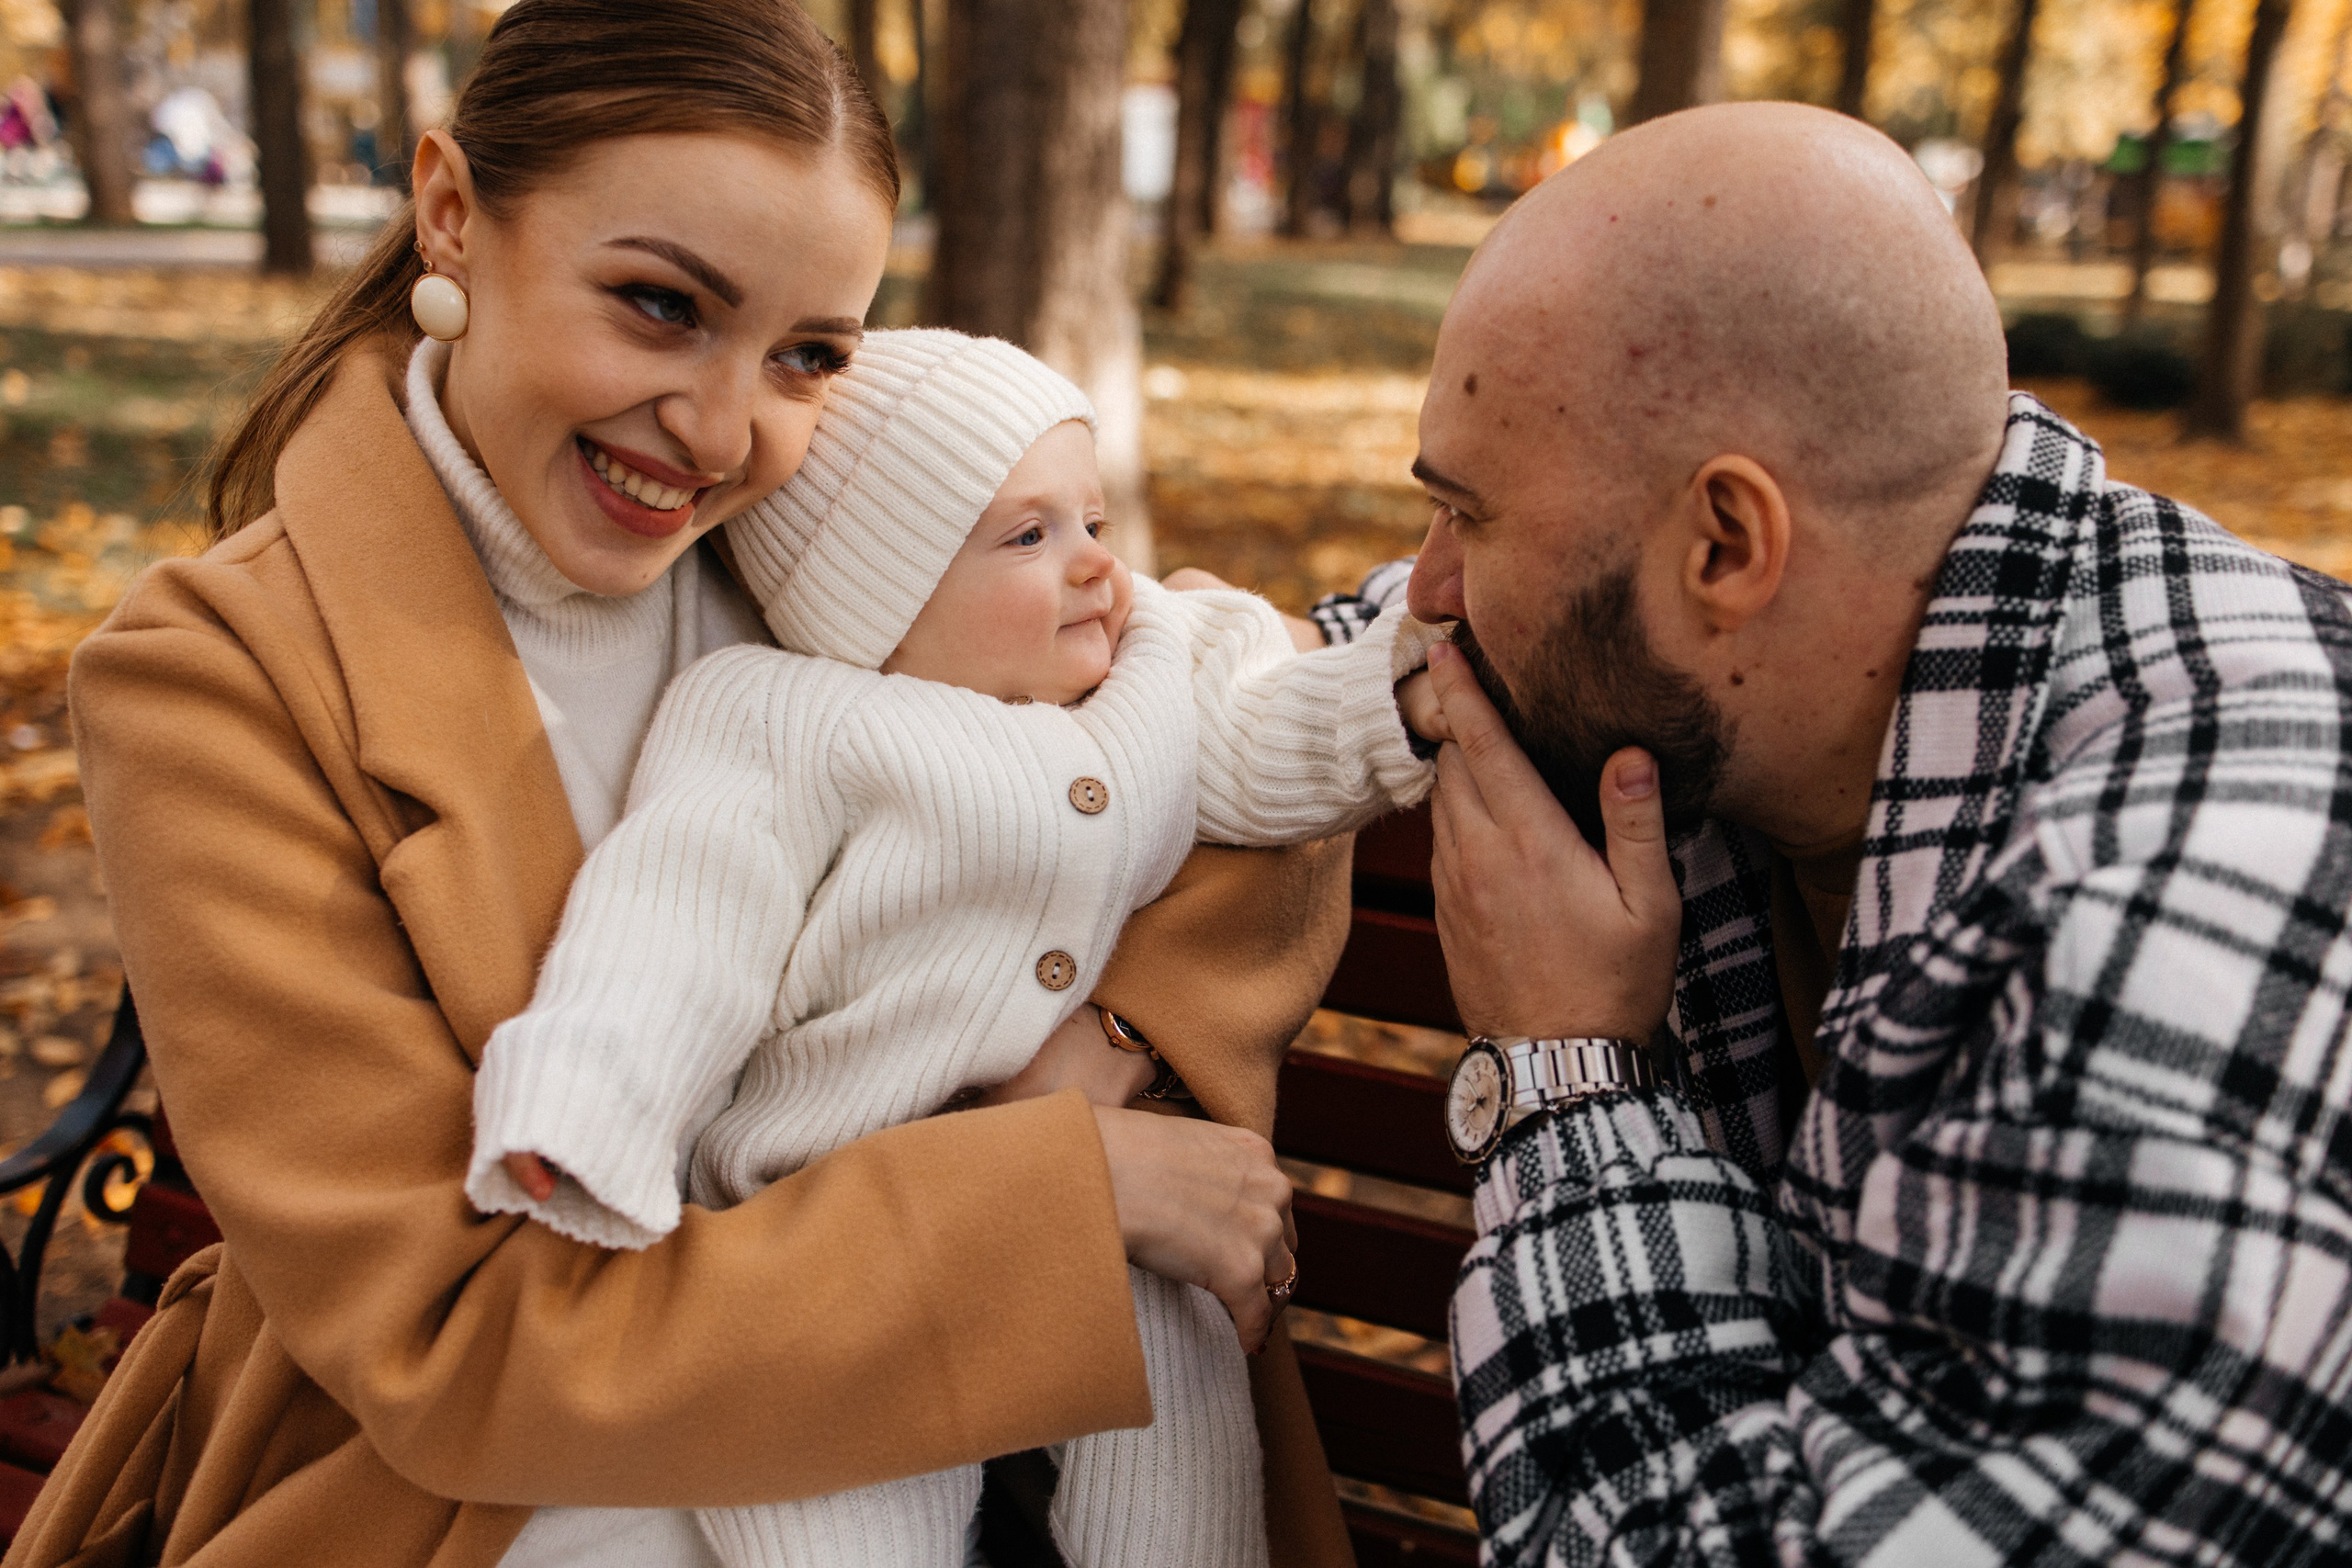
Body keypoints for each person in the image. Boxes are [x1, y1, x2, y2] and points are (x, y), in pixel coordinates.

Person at [18, 6, 1359, 1565]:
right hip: (485, 1502)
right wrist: (1061, 1196)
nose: (724, 432)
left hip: (965, 1454)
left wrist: (1110, 1047)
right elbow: (458, 1343)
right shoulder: (221, 680)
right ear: (451, 214)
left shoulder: (821, 545)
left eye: (807, 354)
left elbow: (1211, 690)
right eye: (660, 306)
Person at [1363, 100, 2352, 1565]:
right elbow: (1365, 640)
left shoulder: (2198, 900)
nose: (1425, 591)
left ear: (1726, 546)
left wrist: (1570, 1076)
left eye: (1468, 515)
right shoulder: (1803, 641)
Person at [469, 329, 1442, 1568]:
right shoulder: (781, 719)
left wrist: (1400, 700)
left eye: (1092, 519)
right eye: (1028, 538)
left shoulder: (1143, 668)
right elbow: (675, 921)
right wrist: (584, 1106)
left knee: (1183, 1405)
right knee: (839, 1496)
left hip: (1114, 1219)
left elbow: (1260, 736)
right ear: (882, 594)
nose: (1094, 565)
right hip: (835, 1230)